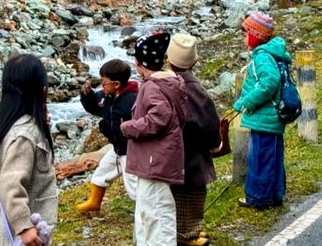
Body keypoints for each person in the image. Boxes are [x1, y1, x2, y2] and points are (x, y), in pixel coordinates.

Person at [121, 30, 187, 246]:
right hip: (156, 157)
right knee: (148, 209)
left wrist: (129, 126)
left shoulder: (152, 86)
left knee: (157, 210)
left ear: (138, 62)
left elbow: (159, 118)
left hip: (155, 159)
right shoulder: (170, 82)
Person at [0, 53, 58, 246]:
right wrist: (24, 226)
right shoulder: (24, 135)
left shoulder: (10, 124)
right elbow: (11, 183)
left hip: (18, 231)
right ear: (41, 89)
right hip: (21, 235)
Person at [233, 11, 291, 210]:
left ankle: (258, 197)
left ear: (254, 35)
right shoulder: (270, 53)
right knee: (272, 156)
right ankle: (275, 193)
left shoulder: (262, 57)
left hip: (263, 117)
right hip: (271, 117)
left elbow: (269, 82)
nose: (243, 38)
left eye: (245, 33)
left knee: (259, 157)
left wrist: (246, 101)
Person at [167, 33, 221, 246]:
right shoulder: (197, 91)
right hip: (194, 156)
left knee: (175, 200)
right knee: (192, 197)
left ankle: (184, 235)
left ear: (168, 60)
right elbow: (210, 124)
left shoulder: (163, 86)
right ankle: (189, 234)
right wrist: (215, 143)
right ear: (196, 62)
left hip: (172, 157)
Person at [76, 57, 139, 212]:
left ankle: (144, 208)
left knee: (133, 184)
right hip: (116, 147)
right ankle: (94, 202)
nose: (101, 86)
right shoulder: (106, 97)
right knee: (102, 172)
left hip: (130, 150)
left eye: (104, 83)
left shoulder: (132, 101)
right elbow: (95, 108)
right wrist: (88, 95)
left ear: (116, 84)